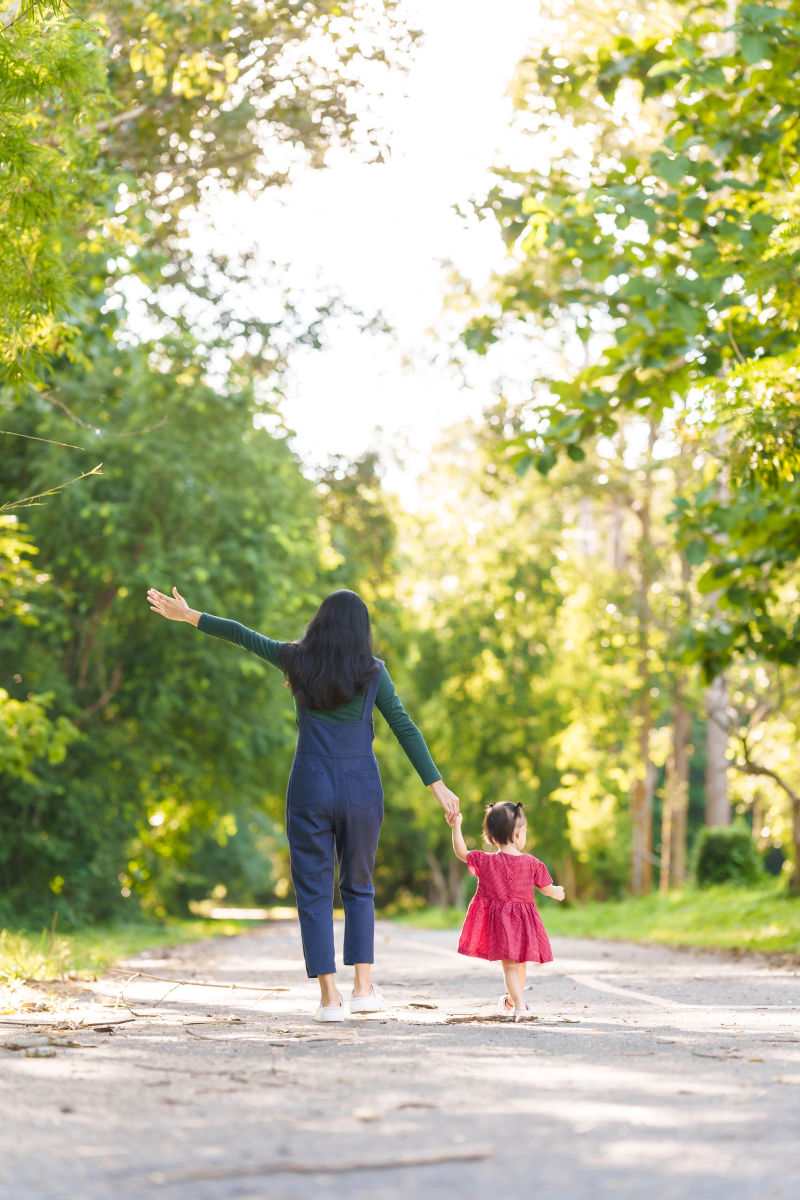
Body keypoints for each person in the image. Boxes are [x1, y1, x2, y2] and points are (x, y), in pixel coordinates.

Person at [147, 586, 460, 1022]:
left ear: (320, 622)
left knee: (313, 891)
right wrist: (437, 786)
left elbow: (241, 634)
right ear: (360, 629)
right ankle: (363, 989)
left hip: (309, 785)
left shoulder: (295, 658)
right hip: (360, 788)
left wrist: (188, 615)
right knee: (359, 886)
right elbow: (404, 727)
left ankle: (330, 998)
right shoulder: (373, 672)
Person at [448, 801, 564, 1018]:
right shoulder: (532, 863)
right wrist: (556, 891)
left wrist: (456, 826)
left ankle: (512, 1002)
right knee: (518, 967)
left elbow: (462, 852)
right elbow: (546, 889)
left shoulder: (485, 861)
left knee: (513, 967)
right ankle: (520, 1006)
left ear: (492, 837)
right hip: (523, 924)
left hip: (501, 924)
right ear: (519, 833)